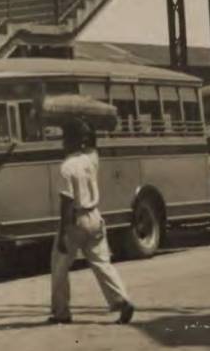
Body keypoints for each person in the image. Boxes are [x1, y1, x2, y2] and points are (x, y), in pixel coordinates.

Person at [49, 118, 134, 325]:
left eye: (64, 139)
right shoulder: (91, 160)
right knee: (102, 264)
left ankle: (61, 312)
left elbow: (66, 202)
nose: (62, 143)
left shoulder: (67, 167)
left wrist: (62, 233)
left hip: (75, 221)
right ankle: (121, 300)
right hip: (95, 216)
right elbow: (93, 147)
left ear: (69, 141)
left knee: (59, 266)